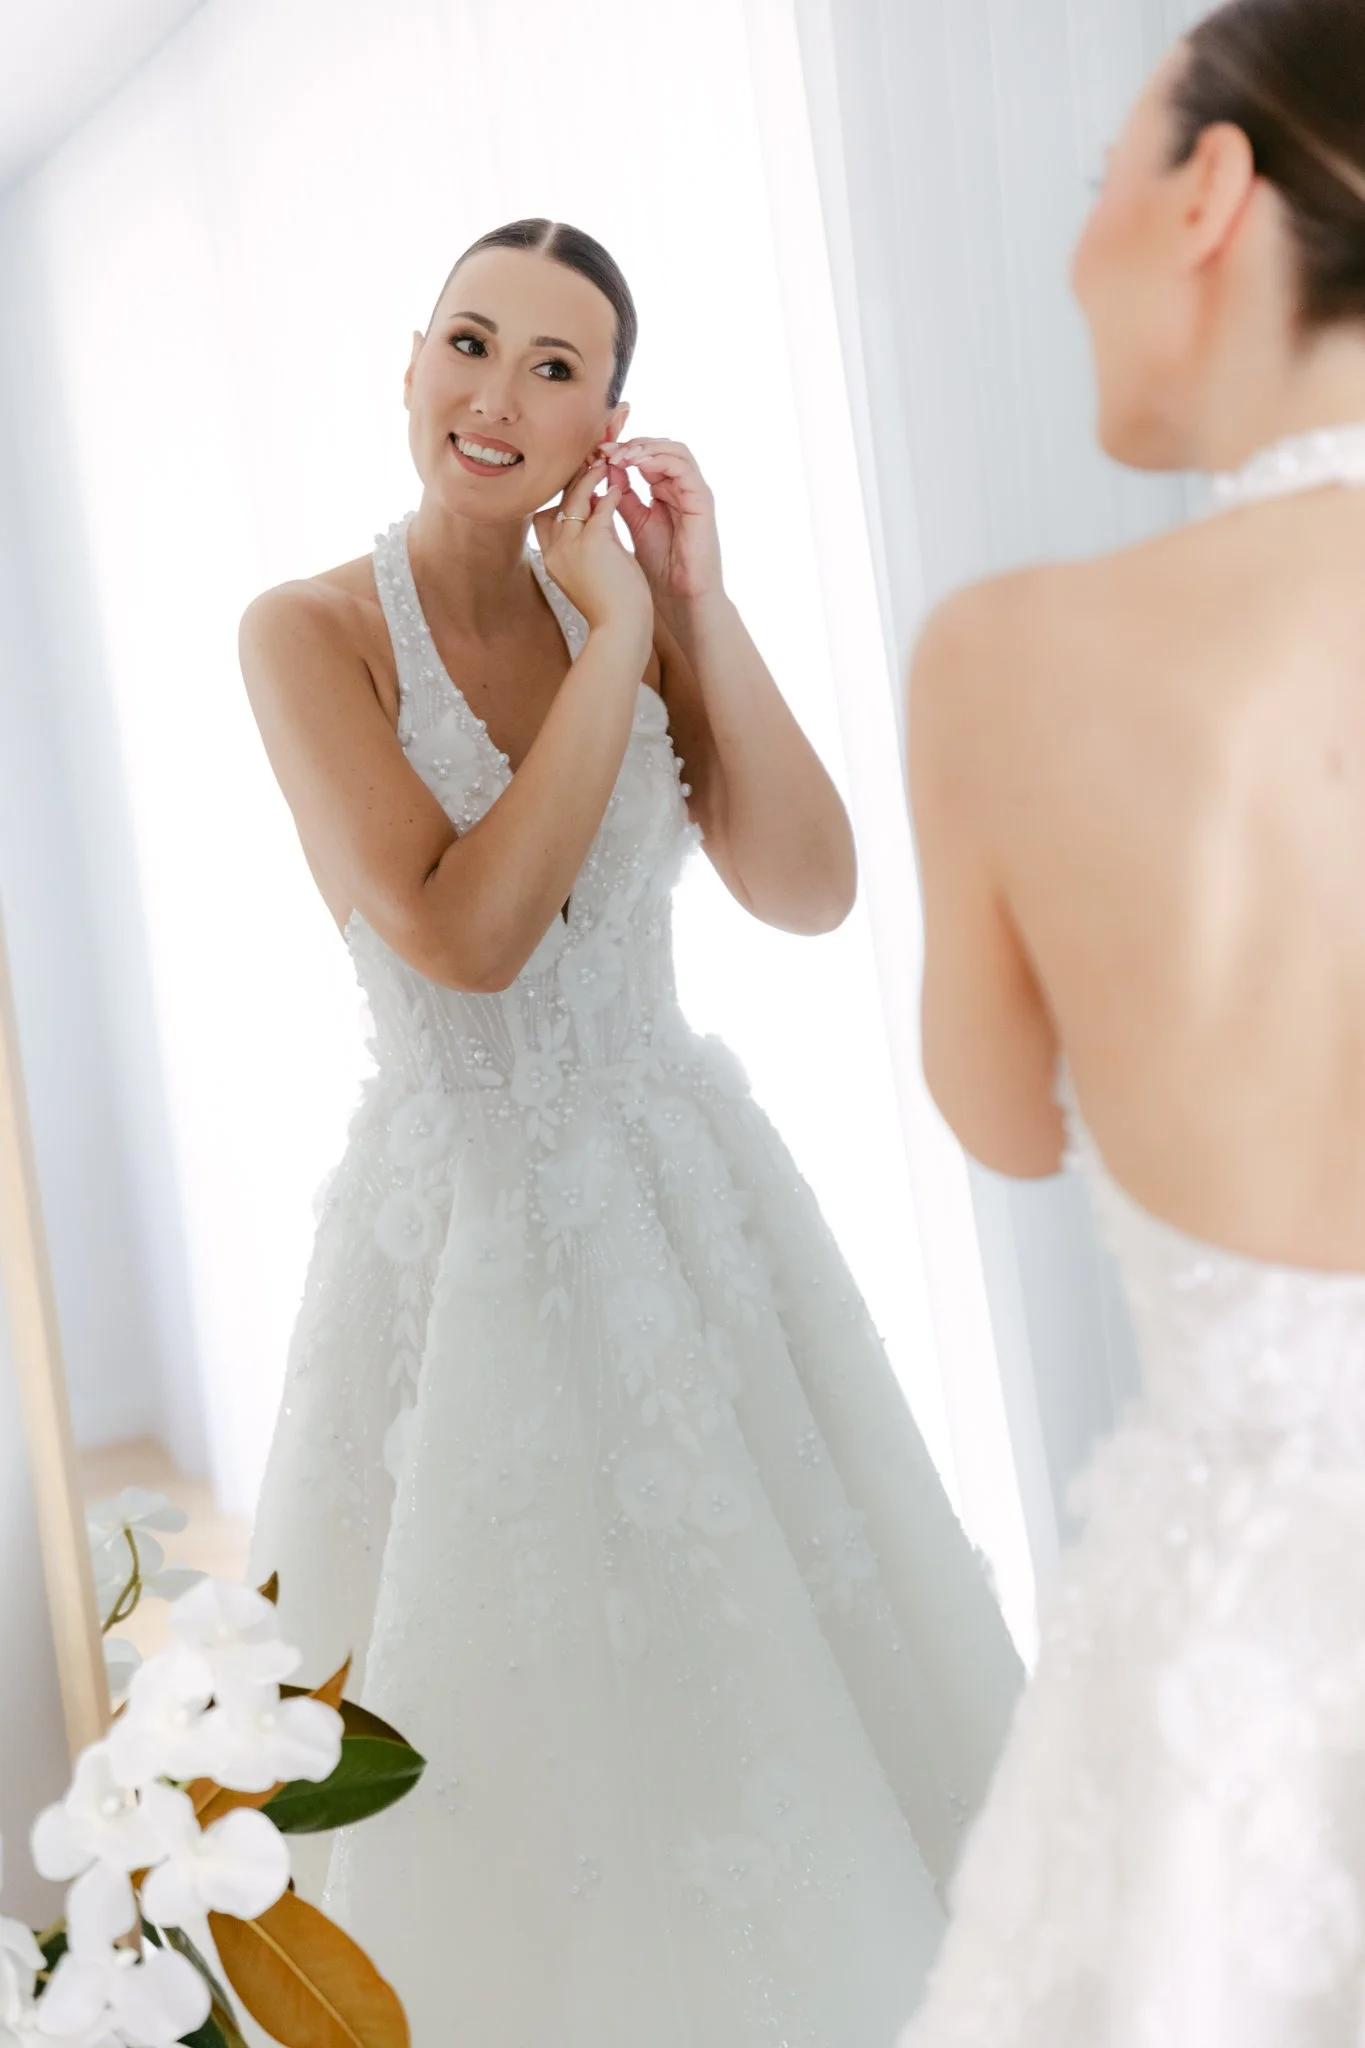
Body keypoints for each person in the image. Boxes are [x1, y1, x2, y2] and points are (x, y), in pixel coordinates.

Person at [237, 216, 1020, 2045]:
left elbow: (810, 887)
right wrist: (609, 659)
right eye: (467, 341)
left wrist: (694, 609)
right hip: (466, 1240)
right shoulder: (308, 634)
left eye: (556, 367)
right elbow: (464, 939)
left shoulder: (642, 619)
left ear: (610, 425)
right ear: (410, 364)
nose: (495, 395)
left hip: (690, 1213)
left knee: (764, 1706)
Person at [900, 1, 1365, 2041]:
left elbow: (1001, 1117)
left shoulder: (1011, 662)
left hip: (1238, 1679)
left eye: (1094, 185)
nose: (1072, 248)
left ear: (1209, 190)